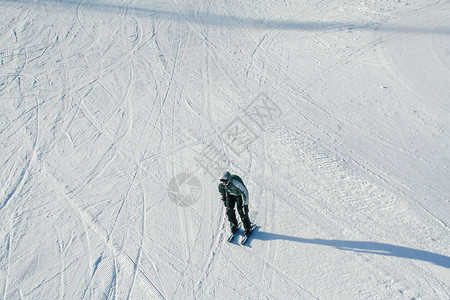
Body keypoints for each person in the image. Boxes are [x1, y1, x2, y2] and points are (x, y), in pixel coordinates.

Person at [218, 171, 253, 236]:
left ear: (229, 180)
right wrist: (224, 199)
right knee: (229, 210)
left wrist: (245, 205)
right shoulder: (221, 184)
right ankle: (233, 224)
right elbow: (221, 191)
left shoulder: (235, 182)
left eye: (226, 182)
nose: (224, 184)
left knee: (241, 210)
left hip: (239, 195)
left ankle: (248, 226)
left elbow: (245, 192)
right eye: (223, 182)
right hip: (230, 195)